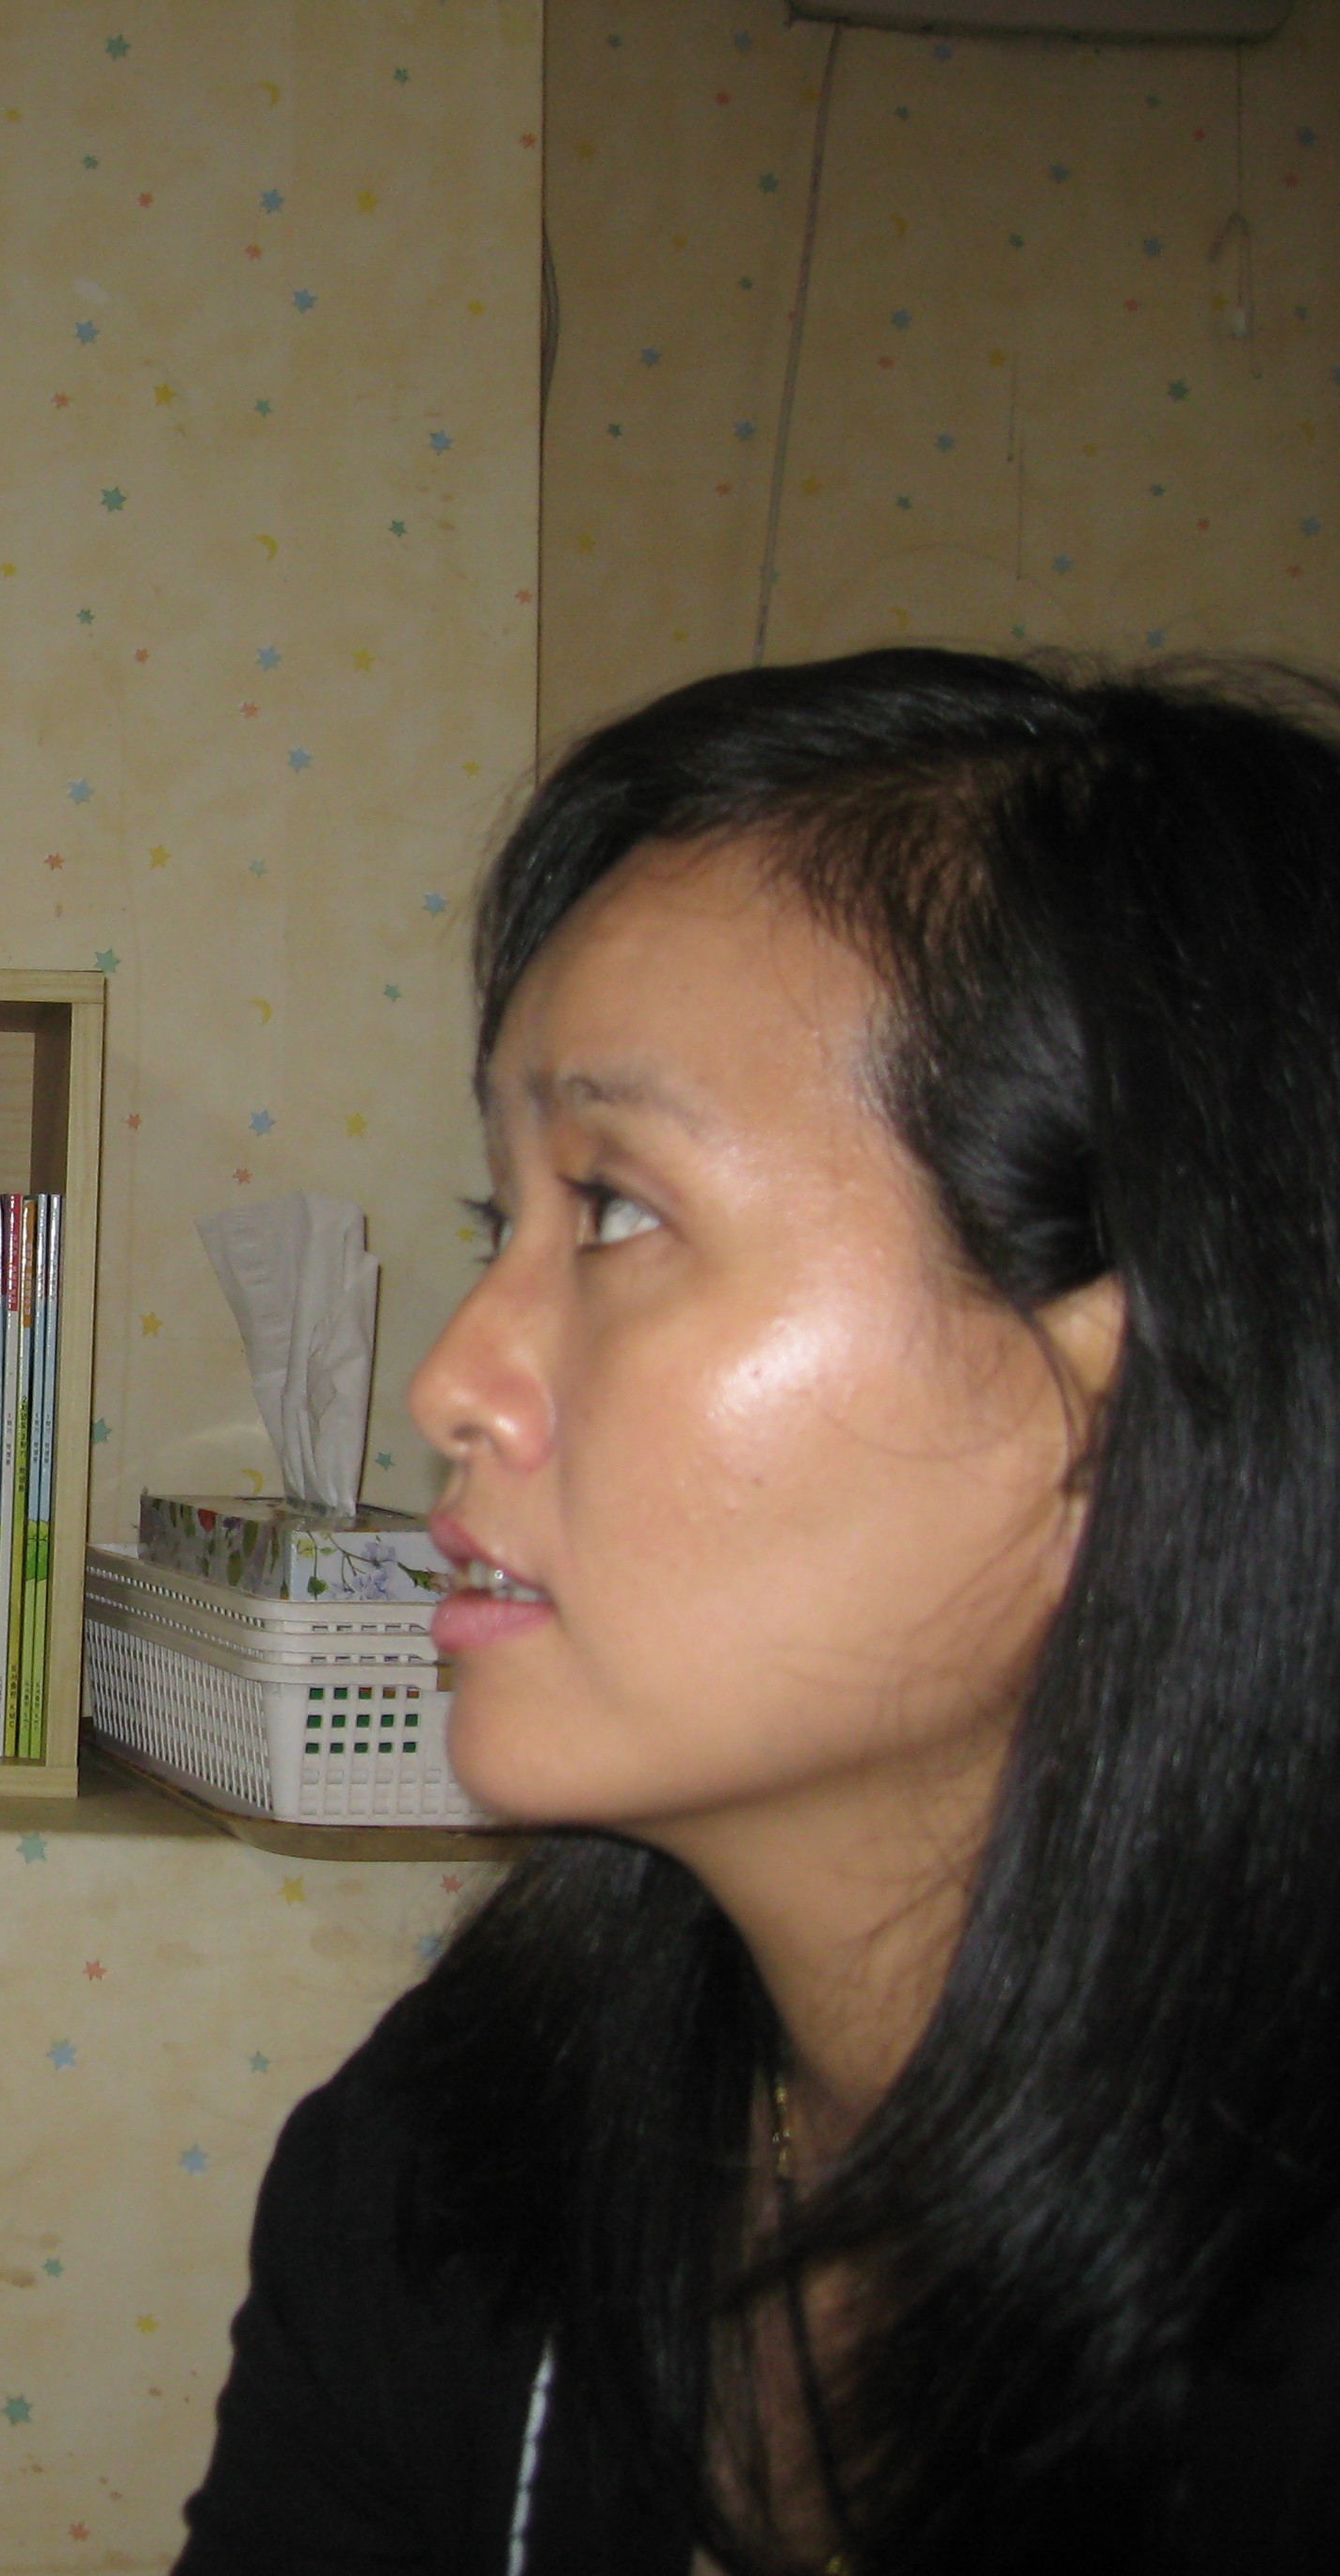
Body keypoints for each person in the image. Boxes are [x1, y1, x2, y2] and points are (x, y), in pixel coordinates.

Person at [175, 647, 1340, 2573]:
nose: (453, 1381)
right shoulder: (450, 2173)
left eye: (617, 1210)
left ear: (1111, 1409)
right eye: (501, 1222)